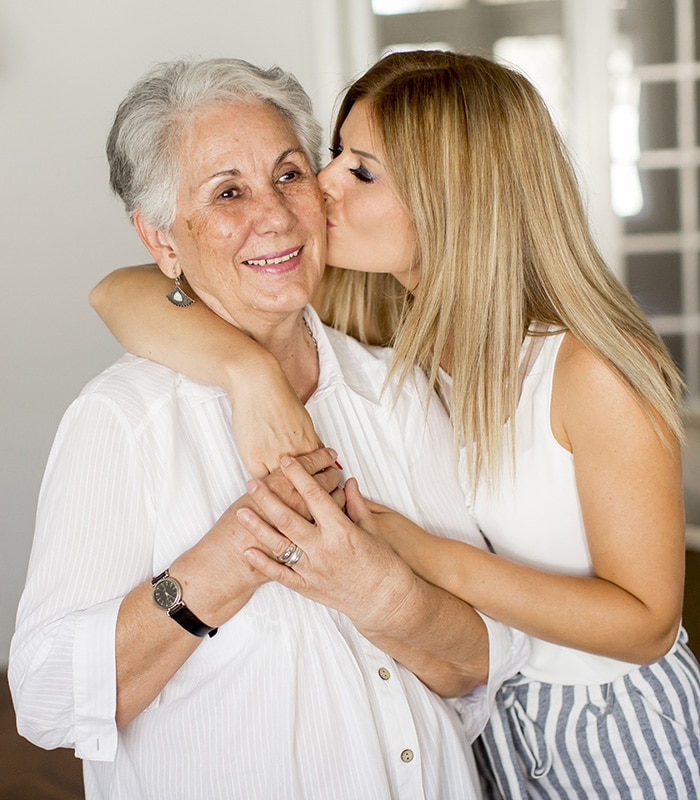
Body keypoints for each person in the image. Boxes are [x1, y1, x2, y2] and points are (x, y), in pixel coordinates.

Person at [90, 50, 700, 798]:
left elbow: (646, 625)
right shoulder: (383, 322)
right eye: (334, 154)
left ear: (453, 197)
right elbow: (121, 290)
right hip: (487, 724)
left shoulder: (587, 370)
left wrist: (422, 555)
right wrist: (245, 374)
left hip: (607, 725)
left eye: (362, 171)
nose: (320, 186)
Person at [9, 57, 528, 800]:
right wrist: (222, 566)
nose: (277, 216)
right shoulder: (122, 420)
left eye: (289, 174)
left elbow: (482, 660)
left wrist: (380, 594)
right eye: (228, 193)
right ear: (161, 240)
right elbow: (49, 697)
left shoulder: (399, 390)